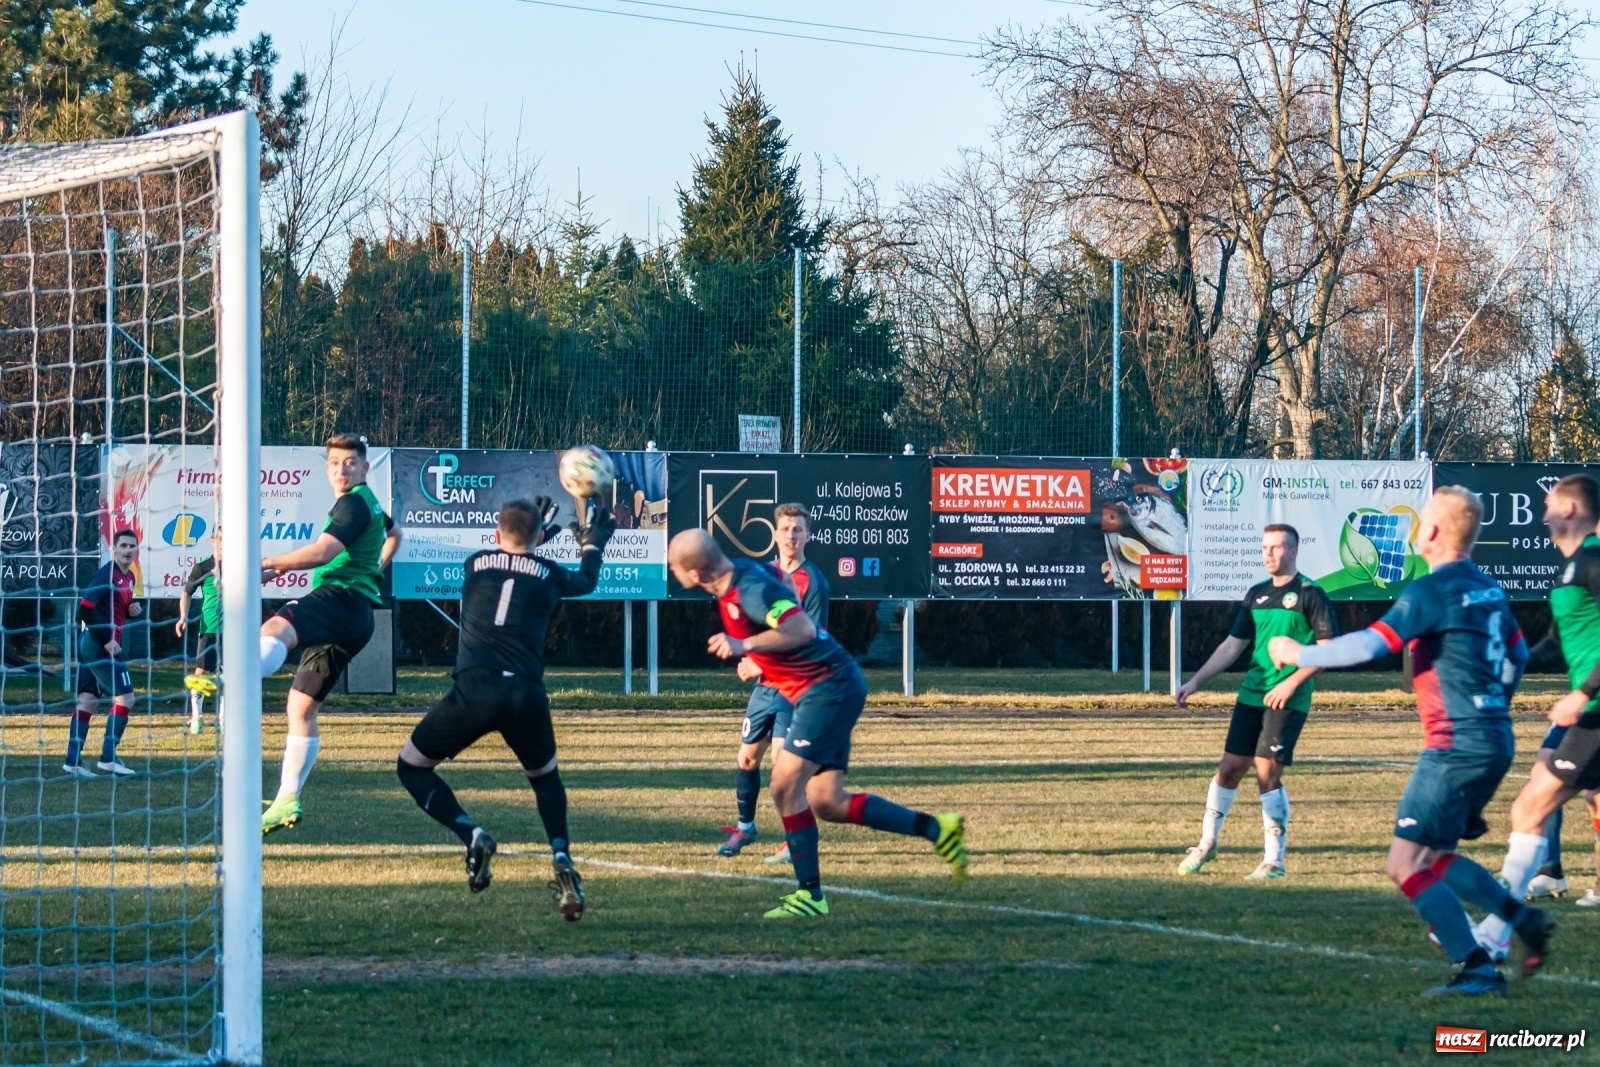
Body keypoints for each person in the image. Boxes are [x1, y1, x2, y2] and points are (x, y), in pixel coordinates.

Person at [1269, 487, 1552, 995]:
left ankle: (1478, 968)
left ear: (1437, 531)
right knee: (1434, 854)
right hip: (1494, 737)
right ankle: (1522, 921)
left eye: (1424, 519)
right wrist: (1493, 701)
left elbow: (1369, 644)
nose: (1418, 526)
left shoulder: (1431, 589)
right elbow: (1518, 656)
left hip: (1455, 744)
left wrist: (1297, 652)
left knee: (1405, 862)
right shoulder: (1488, 587)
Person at [668, 529, 965, 919]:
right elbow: (786, 587)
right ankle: (938, 829)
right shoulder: (741, 575)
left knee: (784, 784)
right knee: (827, 801)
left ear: (695, 572)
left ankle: (811, 895)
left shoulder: (748, 589)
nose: (674, 573)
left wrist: (748, 646)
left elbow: (802, 628)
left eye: (676, 567)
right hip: (826, 685)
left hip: (826, 688)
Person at [397, 498, 613, 918]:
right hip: (524, 694)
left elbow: (514, 555)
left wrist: (540, 531)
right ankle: (561, 854)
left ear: (496, 536)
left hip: (474, 689)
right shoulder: (549, 574)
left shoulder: (476, 563)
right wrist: (593, 545)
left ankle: (471, 832)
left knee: (412, 767)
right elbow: (584, 580)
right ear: (538, 538)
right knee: (544, 778)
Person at [1475, 474, 1600, 954]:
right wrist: (1508, 662)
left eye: (1547, 506)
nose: (1541, 515)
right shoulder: (1571, 569)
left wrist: (1581, 693)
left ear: (1569, 509)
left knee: (1528, 806)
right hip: (1589, 711)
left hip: (1595, 714)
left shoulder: (1592, 562)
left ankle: (1497, 929)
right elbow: (1556, 644)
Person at [1174, 524, 1335, 879]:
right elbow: (1233, 645)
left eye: (1276, 548)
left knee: (1266, 771)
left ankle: (1274, 860)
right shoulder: (1256, 594)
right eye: (1265, 547)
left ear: (1293, 551)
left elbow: (1327, 652)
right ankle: (1207, 843)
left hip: (1287, 700)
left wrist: (1291, 684)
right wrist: (1196, 681)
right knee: (1230, 768)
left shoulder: (1311, 594)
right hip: (1252, 696)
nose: (1268, 554)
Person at [258, 434, 401, 834]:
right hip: (358, 617)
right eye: (335, 462)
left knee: (274, 628)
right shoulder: (370, 505)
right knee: (300, 707)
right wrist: (374, 570)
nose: (342, 469)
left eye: (350, 462)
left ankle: (234, 680)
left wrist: (266, 561)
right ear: (326, 467)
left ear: (365, 468)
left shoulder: (354, 502)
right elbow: (395, 535)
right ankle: (287, 797)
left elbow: (322, 553)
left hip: (340, 599)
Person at [717, 503, 830, 861]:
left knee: (784, 763)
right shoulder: (765, 575)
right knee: (747, 759)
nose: (791, 536)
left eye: (798, 529)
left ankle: (793, 839)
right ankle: (745, 828)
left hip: (793, 683)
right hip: (765, 686)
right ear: (776, 534)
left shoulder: (814, 582)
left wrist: (758, 663)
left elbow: (806, 639)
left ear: (808, 536)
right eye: (786, 529)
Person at [67, 528, 142, 777]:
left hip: (95, 642)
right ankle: (108, 759)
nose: (128, 550)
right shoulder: (106, 574)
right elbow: (86, 609)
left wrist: (129, 608)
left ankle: (73, 761)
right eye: (124, 546)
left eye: (132, 546)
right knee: (126, 698)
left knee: (88, 700)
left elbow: (111, 609)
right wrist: (108, 640)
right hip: (97, 643)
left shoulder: (130, 577)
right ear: (114, 548)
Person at [176, 529, 222, 734]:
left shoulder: (240, 563)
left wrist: (277, 570)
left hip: (235, 631)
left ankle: (223, 721)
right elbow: (186, 593)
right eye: (221, 539)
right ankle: (197, 718)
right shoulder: (203, 566)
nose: (224, 543)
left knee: (230, 675)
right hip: (209, 628)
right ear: (213, 541)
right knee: (201, 673)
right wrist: (183, 616)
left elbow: (258, 578)